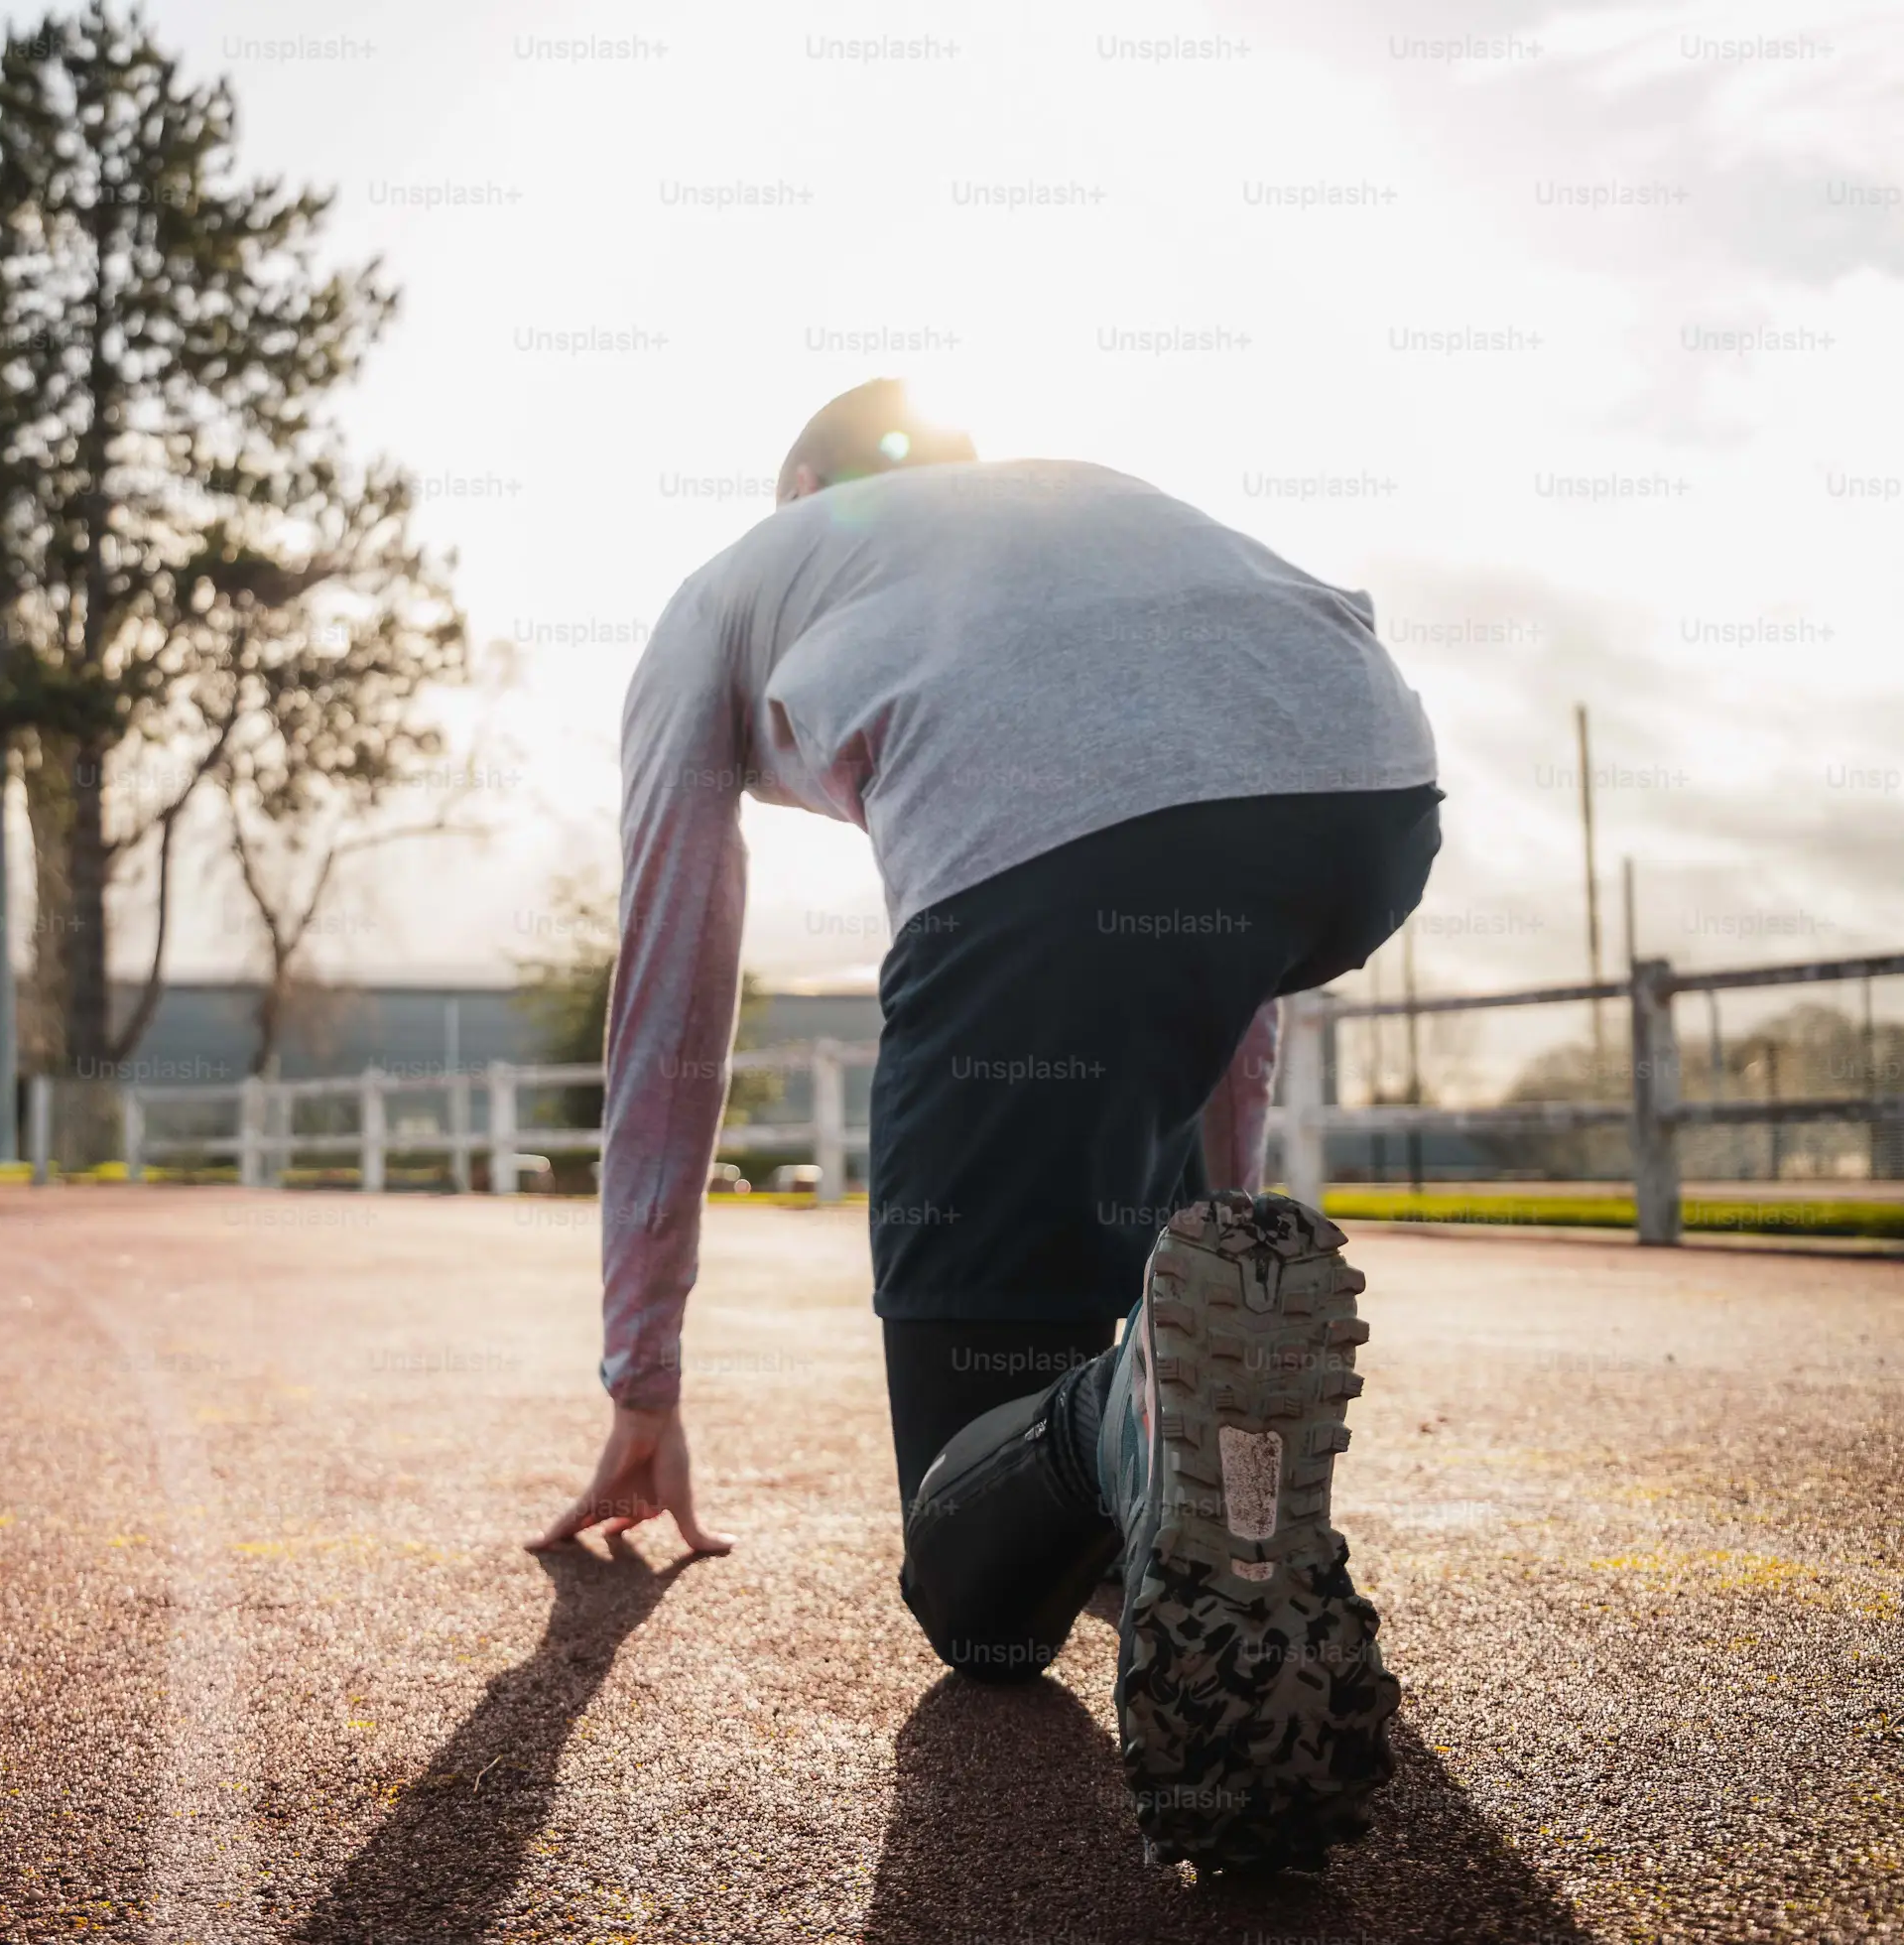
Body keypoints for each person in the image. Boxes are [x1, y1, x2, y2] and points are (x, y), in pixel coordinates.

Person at [528, 379, 1441, 1873]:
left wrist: (644, 1377)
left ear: (807, 484)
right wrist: (1226, 1236)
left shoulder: (729, 590)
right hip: (1369, 793)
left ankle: (1119, 1416)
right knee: (1158, 1018)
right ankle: (1174, 1453)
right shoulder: (1069, 501)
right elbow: (1218, 953)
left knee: (979, 1604)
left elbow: (672, 1008)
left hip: (1049, 864)